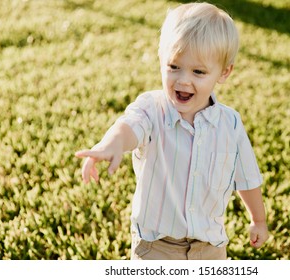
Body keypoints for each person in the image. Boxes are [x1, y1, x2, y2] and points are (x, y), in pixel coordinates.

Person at [75, 2, 269, 260]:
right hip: (156, 247)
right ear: (161, 60)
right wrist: (111, 144)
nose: (183, 80)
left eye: (198, 71)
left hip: (209, 247)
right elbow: (129, 127)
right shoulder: (152, 109)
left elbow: (246, 178)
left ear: (224, 73)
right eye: (174, 66)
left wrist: (258, 220)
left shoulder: (230, 125)